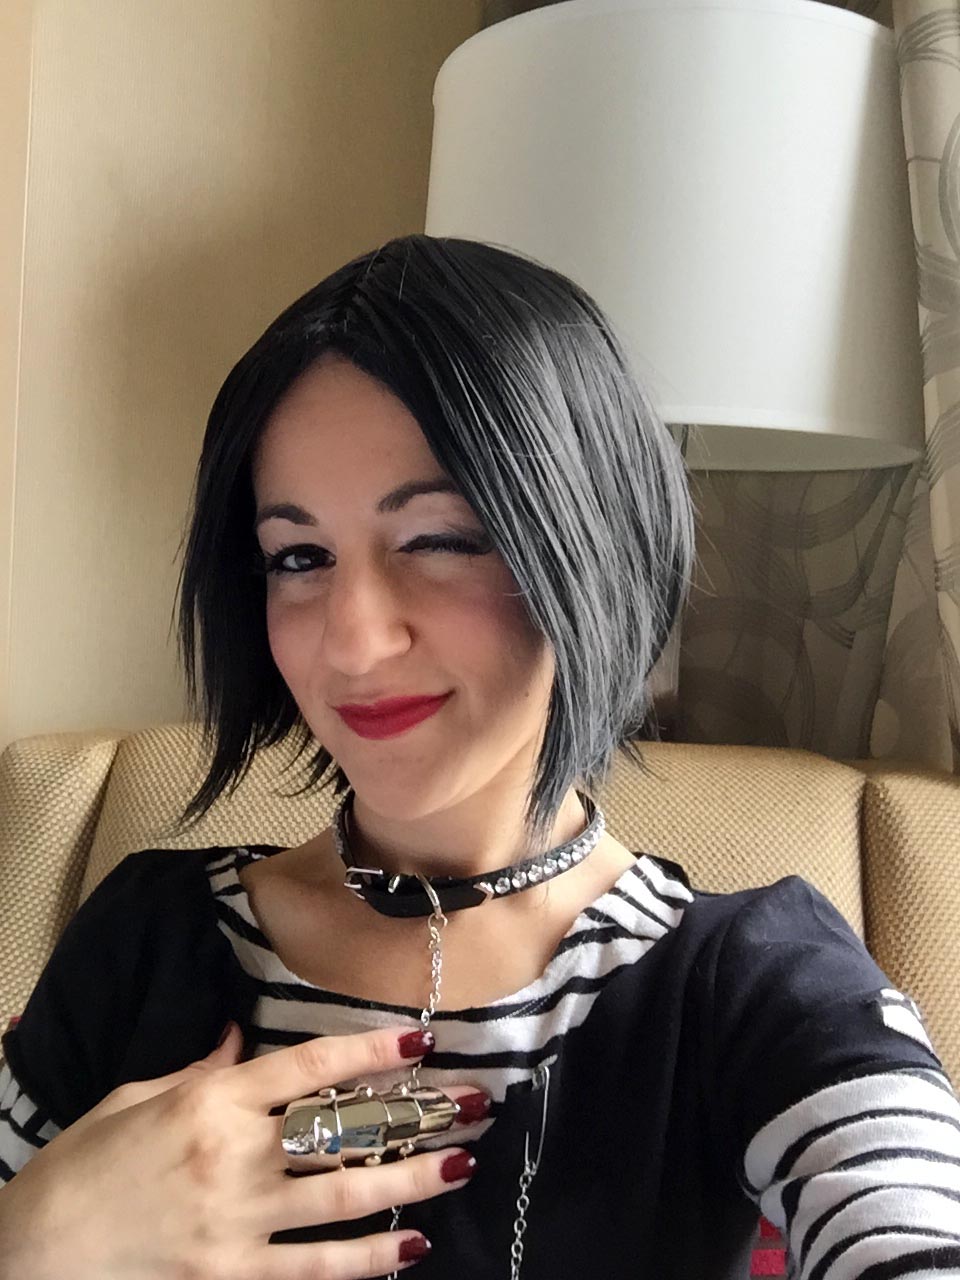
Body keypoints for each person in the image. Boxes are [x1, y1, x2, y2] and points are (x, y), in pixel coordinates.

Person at [0, 234, 958, 1280]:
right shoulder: (145, 940)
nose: (354, 642)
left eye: (442, 539)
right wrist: (36, 1238)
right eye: (300, 557)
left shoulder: (754, 985)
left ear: (593, 546)